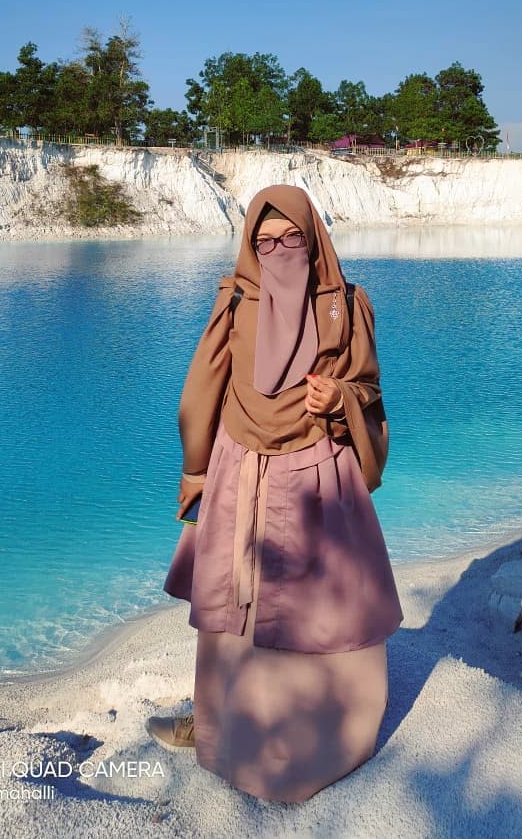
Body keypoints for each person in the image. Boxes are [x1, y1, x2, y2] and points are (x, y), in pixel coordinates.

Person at [148, 184, 403, 803]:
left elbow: (368, 389)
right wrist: (195, 469)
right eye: (264, 241)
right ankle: (217, 730)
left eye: (291, 237)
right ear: (248, 245)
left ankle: (320, 746)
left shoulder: (345, 303)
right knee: (234, 612)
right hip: (242, 472)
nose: (278, 249)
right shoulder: (235, 299)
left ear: (313, 238)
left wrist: (337, 399)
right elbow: (203, 390)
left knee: (318, 613)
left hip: (318, 472)